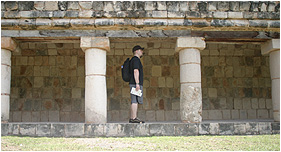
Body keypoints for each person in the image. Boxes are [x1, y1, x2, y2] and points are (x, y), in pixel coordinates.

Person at [129, 45, 145, 123]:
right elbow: (136, 71)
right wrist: (137, 83)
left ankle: (132, 117)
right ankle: (134, 118)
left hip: (133, 83)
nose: (142, 52)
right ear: (136, 51)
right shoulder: (136, 60)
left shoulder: (133, 60)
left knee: (134, 100)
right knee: (135, 100)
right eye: (140, 50)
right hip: (135, 83)